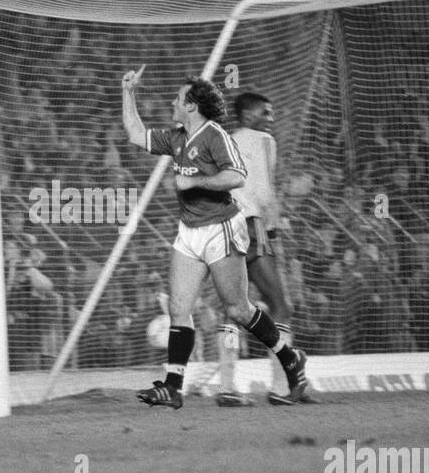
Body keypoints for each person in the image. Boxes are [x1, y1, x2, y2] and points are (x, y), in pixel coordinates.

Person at [121, 68, 313, 408]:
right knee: (179, 308)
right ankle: (172, 387)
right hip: (189, 231)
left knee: (238, 309)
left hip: (221, 229)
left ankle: (288, 359)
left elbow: (236, 175)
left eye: (178, 99)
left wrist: (194, 182)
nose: (172, 102)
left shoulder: (215, 136)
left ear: (192, 106)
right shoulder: (178, 137)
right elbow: (136, 134)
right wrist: (128, 93)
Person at [216, 91, 293, 406]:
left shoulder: (223, 141)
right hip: (250, 226)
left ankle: (226, 387)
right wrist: (274, 232)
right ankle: (282, 387)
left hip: (221, 227)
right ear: (248, 115)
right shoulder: (264, 141)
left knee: (235, 309)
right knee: (280, 306)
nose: (270, 119)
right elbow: (264, 191)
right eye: (266, 112)